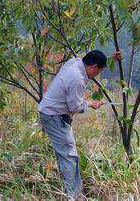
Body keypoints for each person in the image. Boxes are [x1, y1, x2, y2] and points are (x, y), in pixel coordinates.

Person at [38, 50, 122, 200]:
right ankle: (73, 196)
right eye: (100, 70)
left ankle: (74, 192)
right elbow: (75, 107)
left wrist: (110, 58)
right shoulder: (77, 79)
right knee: (69, 156)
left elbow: (92, 60)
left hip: (51, 114)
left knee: (67, 154)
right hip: (53, 117)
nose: (98, 74)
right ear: (94, 67)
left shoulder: (76, 62)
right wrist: (91, 103)